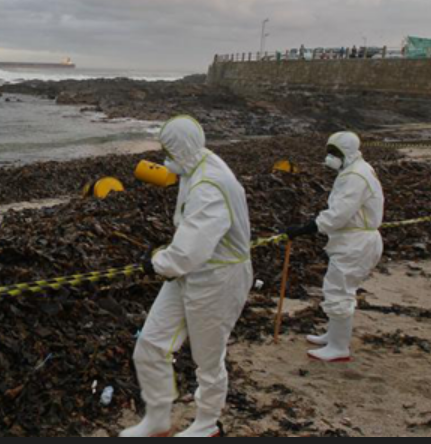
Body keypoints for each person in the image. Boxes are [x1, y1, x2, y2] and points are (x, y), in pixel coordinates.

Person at [120, 116, 253, 438]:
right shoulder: (198, 163)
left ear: (182, 149)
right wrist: (167, 259)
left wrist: (155, 263)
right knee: (150, 345)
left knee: (208, 358)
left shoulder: (210, 185)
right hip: (190, 273)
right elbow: (188, 245)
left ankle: (207, 424)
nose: (164, 157)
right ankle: (158, 418)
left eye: (168, 150)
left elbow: (188, 253)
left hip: (218, 279)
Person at [283, 132, 384, 363]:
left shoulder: (355, 176)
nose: (329, 157)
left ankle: (339, 347)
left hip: (357, 243)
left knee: (340, 292)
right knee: (336, 287)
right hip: (351, 241)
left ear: (347, 153)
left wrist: (306, 228)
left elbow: (339, 214)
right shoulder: (354, 170)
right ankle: (333, 335)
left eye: (334, 153)